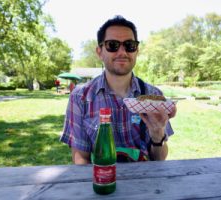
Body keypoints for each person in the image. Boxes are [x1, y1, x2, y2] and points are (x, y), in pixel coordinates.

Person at [60, 15, 177, 164]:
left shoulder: (153, 95)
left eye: (130, 45)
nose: (122, 52)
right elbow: (81, 157)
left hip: (145, 182)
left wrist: (157, 134)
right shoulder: (80, 97)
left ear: (136, 51)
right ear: (100, 52)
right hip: (103, 181)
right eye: (113, 45)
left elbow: (159, 159)